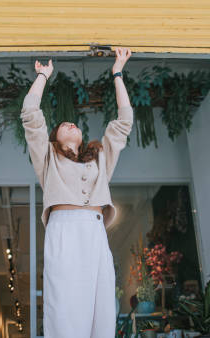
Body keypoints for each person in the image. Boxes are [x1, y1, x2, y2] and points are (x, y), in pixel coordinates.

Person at [20, 47, 133, 337]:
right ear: (55, 137)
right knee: (65, 310)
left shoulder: (99, 159)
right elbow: (31, 114)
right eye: (63, 125)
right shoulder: (47, 159)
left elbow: (124, 122)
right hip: (64, 231)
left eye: (75, 125)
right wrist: (43, 76)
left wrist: (118, 72)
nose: (71, 124)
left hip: (95, 233)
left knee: (103, 310)